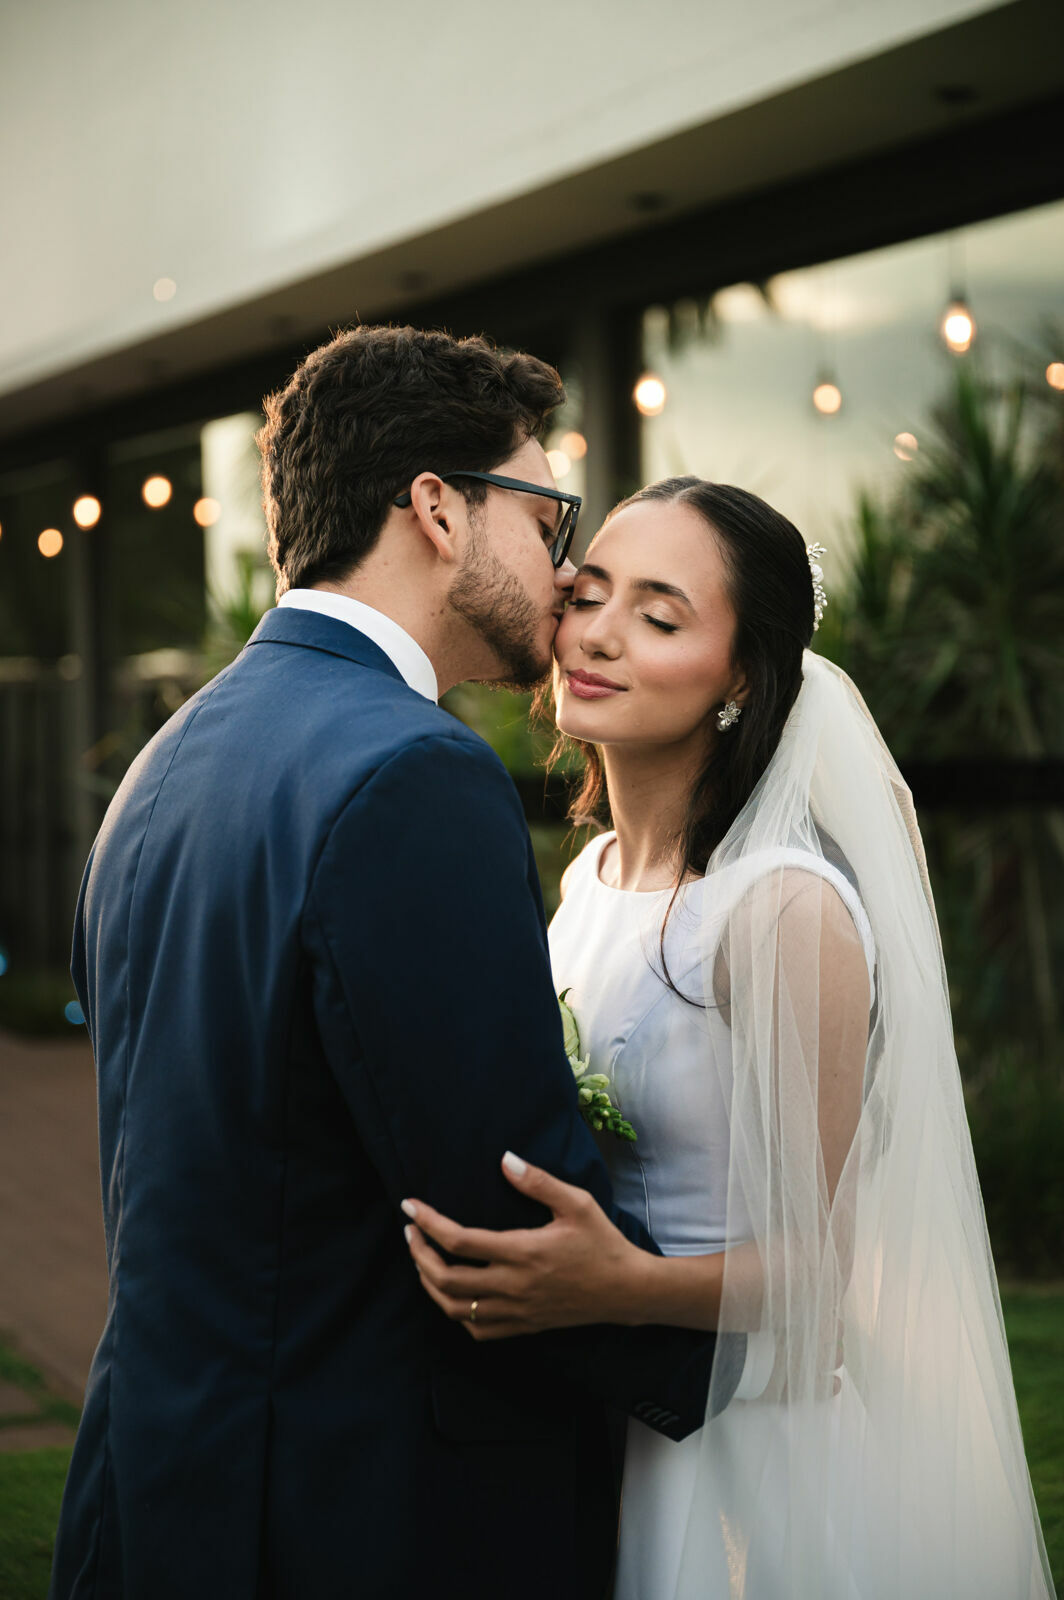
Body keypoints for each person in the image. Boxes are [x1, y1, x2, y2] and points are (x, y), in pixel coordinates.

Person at [49, 332, 743, 1600]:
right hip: (359, 1515)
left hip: (153, 1491)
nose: (568, 564)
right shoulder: (411, 772)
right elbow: (500, 1204)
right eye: (546, 514)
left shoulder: (159, 768)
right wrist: (754, 1346)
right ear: (436, 506)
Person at [404, 478, 1057, 1599]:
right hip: (613, 1413)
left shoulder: (777, 911)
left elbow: (821, 1279)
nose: (597, 633)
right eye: (591, 592)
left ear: (741, 676)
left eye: (659, 617)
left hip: (755, 1455)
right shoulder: (592, 878)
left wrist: (615, 1282)